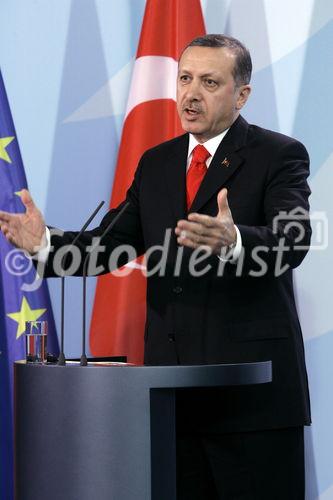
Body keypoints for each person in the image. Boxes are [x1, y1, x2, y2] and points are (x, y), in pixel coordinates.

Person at [0, 35, 311, 499]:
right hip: (171, 397)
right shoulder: (157, 163)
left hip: (252, 401)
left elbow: (294, 238)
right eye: (185, 79)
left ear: (241, 94)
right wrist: (44, 243)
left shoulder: (279, 154)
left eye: (209, 82)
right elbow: (108, 247)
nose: (191, 93)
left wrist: (236, 240)